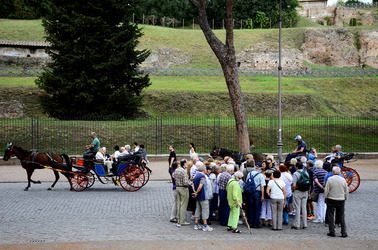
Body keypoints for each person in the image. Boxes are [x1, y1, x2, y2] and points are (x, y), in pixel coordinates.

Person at [324, 166, 349, 237]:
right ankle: (343, 232)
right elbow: (346, 190)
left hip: (331, 198)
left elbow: (326, 190)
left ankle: (332, 231)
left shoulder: (330, 179)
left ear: (333, 172)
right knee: (341, 215)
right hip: (341, 199)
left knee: (331, 215)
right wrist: (345, 198)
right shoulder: (343, 180)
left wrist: (326, 197)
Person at [192, 163, 213, 232]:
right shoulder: (202, 176)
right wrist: (197, 192)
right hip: (203, 196)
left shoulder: (196, 175)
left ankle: (196, 224)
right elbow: (200, 186)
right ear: (204, 169)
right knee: (205, 210)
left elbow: (192, 184)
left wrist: (195, 192)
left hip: (198, 197)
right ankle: (205, 225)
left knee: (198, 209)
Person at [245, 163, 265, 228]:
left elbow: (246, 183)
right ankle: (256, 223)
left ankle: (250, 222)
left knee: (250, 207)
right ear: (260, 168)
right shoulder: (260, 175)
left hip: (250, 192)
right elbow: (262, 186)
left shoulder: (249, 174)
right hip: (257, 192)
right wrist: (262, 195)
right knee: (257, 208)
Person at [291, 162, 310, 230]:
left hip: (298, 191)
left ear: (296, 167)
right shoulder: (306, 172)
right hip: (305, 191)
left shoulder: (295, 173)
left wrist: (293, 190)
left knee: (297, 208)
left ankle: (297, 224)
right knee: (304, 208)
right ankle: (305, 224)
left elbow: (294, 185)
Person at [175, 159, 190, 226]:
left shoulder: (177, 170)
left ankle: (178, 220)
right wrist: (190, 183)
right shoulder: (183, 171)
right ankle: (182, 221)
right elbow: (185, 182)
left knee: (179, 204)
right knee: (183, 204)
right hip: (183, 188)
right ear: (184, 164)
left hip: (177, 187)